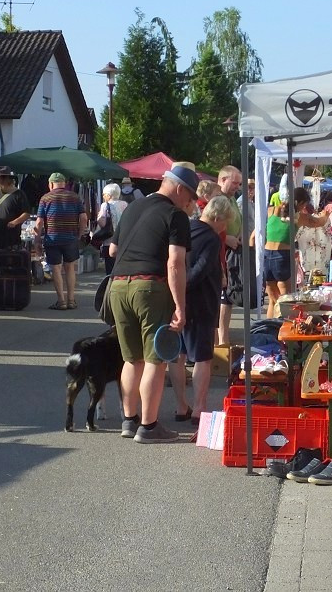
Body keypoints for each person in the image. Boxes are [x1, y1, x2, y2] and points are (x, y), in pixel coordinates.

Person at [109, 164, 199, 444]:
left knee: (130, 358)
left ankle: (129, 418)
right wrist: (180, 306)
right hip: (150, 286)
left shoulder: (132, 208)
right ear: (180, 189)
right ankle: (149, 426)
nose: (191, 203)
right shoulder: (175, 215)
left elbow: (112, 249)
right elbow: (175, 263)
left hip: (118, 286)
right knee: (155, 359)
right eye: (191, 196)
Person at [169, 195, 233, 425]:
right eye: (224, 222)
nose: (224, 227)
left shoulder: (187, 229)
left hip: (177, 300)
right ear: (216, 217)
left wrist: (176, 291)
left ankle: (180, 406)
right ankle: (199, 407)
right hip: (202, 302)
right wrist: (186, 286)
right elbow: (202, 267)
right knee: (202, 357)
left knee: (177, 355)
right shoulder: (211, 238)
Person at [263, 187, 328, 317]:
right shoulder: (298, 217)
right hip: (282, 257)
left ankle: (270, 328)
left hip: (266, 255)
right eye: (304, 204)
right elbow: (319, 222)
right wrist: (326, 214)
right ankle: (285, 331)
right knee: (287, 299)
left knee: (272, 299)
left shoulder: (271, 211)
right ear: (299, 203)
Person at [35, 172, 88, 311]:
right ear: (64, 183)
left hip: (52, 238)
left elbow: (39, 222)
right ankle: (71, 300)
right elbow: (83, 218)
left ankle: (61, 301)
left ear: (51, 184)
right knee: (70, 268)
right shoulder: (75, 197)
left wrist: (37, 241)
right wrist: (80, 233)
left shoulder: (45, 198)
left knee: (56, 268)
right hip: (70, 238)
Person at [216, 165, 243, 346]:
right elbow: (209, 226)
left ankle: (222, 341)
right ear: (223, 180)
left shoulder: (231, 199)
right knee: (224, 299)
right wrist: (228, 239)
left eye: (239, 184)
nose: (237, 187)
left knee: (228, 299)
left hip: (230, 254)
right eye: (234, 183)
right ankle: (221, 342)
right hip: (221, 255)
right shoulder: (217, 199)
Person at [0, 166, 31, 250]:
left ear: (6, 179)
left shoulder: (19, 194)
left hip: (11, 240)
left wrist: (15, 222)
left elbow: (26, 213)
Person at [94, 183, 128, 274]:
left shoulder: (105, 205)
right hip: (123, 240)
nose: (103, 196)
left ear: (109, 195)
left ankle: (110, 286)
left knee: (110, 268)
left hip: (110, 240)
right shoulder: (125, 204)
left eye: (104, 194)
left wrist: (98, 218)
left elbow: (102, 223)